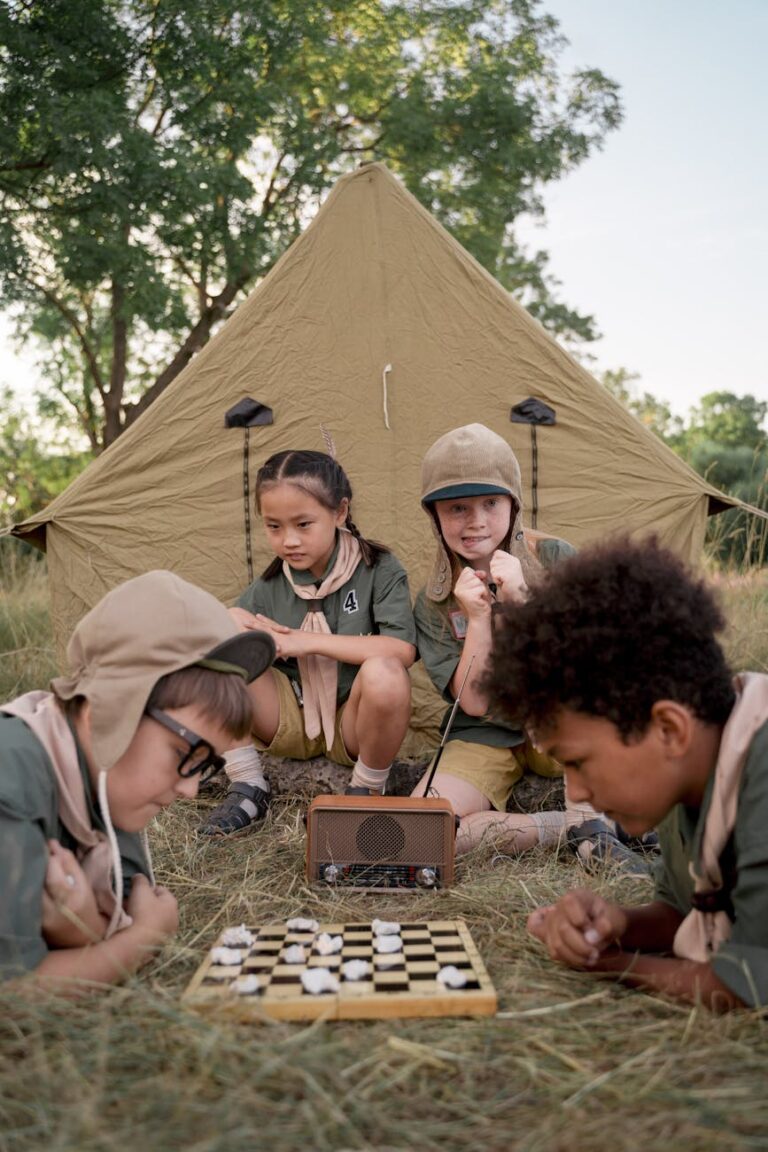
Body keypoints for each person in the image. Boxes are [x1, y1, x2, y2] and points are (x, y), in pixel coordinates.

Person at [486, 536, 768, 1010]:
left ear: (668, 729)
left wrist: (610, 964)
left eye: (577, 761)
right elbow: (685, 912)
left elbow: (752, 979)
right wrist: (614, 923)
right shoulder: (694, 771)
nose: (574, 790)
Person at [0, 570, 275, 990]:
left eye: (208, 765)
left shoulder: (109, 786)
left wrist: (81, 928)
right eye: (186, 754)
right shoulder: (11, 779)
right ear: (111, 710)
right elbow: (14, 990)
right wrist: (144, 940)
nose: (190, 789)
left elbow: (116, 913)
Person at [412, 423, 638, 863]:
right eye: (457, 508)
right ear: (436, 515)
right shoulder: (434, 600)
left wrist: (521, 600)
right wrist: (478, 619)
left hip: (563, 719)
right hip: (486, 732)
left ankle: (593, 833)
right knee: (429, 829)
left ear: (513, 505)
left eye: (490, 503)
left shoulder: (554, 559)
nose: (475, 520)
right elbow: (474, 703)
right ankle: (568, 828)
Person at [199, 449, 417, 835]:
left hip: (352, 721)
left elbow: (401, 649)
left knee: (386, 672)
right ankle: (248, 785)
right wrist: (231, 621)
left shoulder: (378, 569)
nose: (289, 541)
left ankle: (366, 790)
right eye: (274, 527)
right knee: (218, 641)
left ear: (340, 512)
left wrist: (307, 642)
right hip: (286, 717)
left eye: (303, 524)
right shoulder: (269, 585)